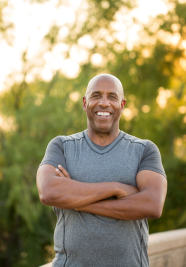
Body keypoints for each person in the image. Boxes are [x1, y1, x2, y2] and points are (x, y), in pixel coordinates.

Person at [36, 74, 167, 267]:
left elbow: (152, 205)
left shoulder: (144, 150)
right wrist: (116, 189)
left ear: (122, 105)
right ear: (84, 103)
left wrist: (77, 202)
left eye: (112, 97)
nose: (104, 103)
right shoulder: (62, 146)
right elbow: (48, 192)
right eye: (96, 95)